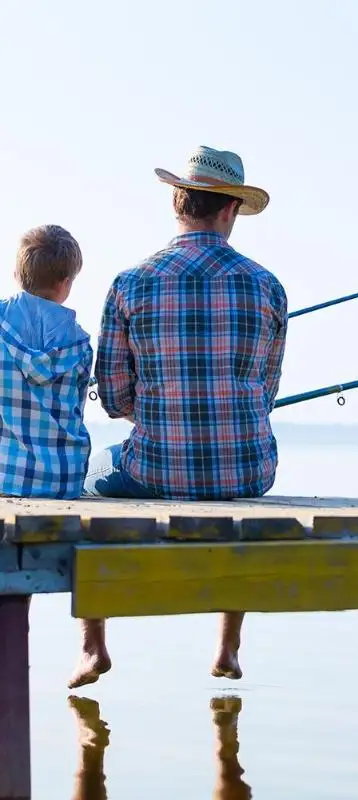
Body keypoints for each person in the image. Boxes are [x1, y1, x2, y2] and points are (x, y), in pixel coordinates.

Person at [72, 146, 288, 690]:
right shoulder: (268, 286)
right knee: (234, 500)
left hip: (155, 470)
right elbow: (264, 394)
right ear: (230, 210)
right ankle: (228, 647)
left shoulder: (130, 283)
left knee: (84, 480)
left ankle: (93, 647)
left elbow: (116, 399)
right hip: (248, 473)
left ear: (177, 203)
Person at [0, 225, 92, 500]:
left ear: (17, 274)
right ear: (66, 284)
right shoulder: (81, 344)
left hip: (6, 476)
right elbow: (76, 411)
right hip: (63, 480)